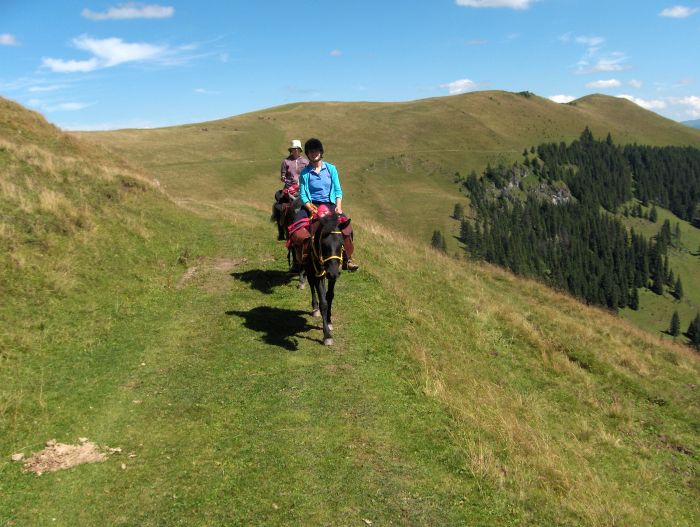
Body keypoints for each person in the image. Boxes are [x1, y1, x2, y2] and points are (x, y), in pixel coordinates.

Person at [295, 138, 358, 271]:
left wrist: (339, 206)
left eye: (316, 151)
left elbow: (337, 190)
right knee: (297, 226)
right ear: (307, 154)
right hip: (311, 205)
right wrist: (308, 206)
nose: (314, 153)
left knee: (347, 225)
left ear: (321, 152)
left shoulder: (331, 169)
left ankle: (347, 258)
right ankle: (302, 256)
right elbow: (303, 194)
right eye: (310, 152)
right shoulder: (305, 173)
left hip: (329, 204)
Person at [273, 140, 309, 240]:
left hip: (302, 188)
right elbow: (283, 175)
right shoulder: (286, 162)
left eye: (297, 149)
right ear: (291, 150)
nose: (295, 150)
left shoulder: (306, 162)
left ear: (300, 150)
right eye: (294, 149)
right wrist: (284, 179)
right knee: (279, 206)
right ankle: (281, 232)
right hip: (289, 188)